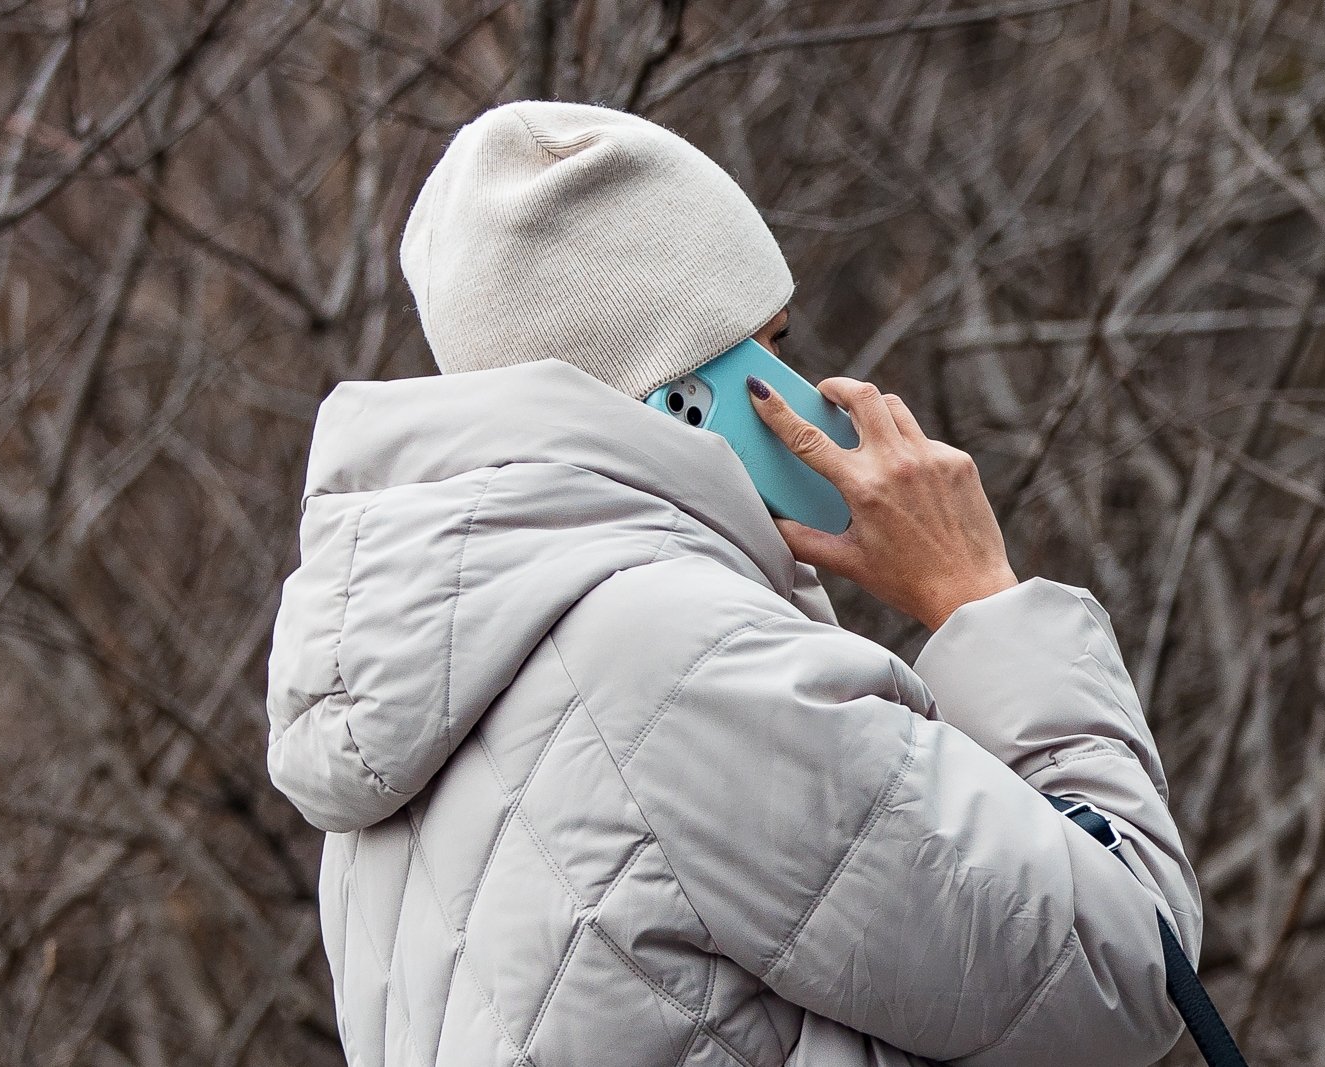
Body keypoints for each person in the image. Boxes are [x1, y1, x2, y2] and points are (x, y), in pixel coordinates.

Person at [265, 99, 1202, 1067]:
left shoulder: (409, 686)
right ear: (688, 396)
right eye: (776, 345)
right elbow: (1124, 972)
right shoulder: (684, 659)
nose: (808, 389)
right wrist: (980, 597)